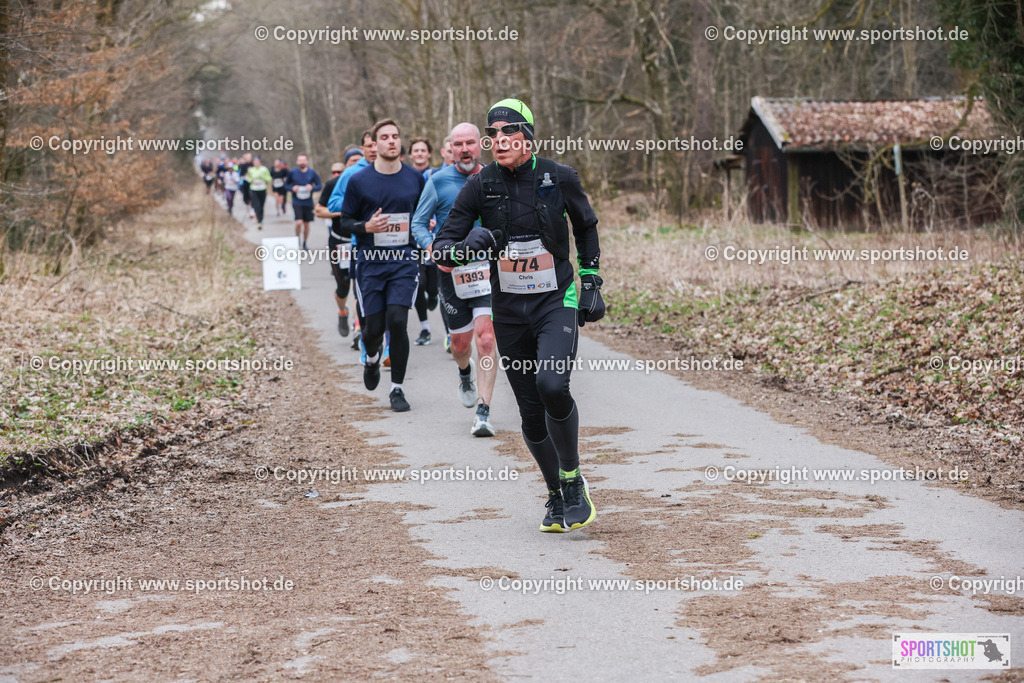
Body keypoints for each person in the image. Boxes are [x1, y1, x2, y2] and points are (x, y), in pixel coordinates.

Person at [433, 99, 605, 532]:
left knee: (552, 382)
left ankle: (572, 477)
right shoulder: (480, 185)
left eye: (508, 133)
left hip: (556, 300)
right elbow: (442, 249)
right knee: (530, 413)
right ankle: (554, 493)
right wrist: (467, 246)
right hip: (508, 309)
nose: (498, 141)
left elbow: (585, 226)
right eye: (493, 134)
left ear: (528, 137)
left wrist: (591, 281)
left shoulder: (558, 176)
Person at [412, 122, 497, 437]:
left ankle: (484, 411)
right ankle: (465, 372)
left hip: (486, 271)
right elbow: (419, 224)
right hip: (450, 274)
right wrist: (432, 249)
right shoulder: (437, 181)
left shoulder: (494, 177)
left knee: (486, 339)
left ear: (480, 145)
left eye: (470, 143)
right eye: (458, 144)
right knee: (461, 345)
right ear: (451, 148)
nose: (465, 150)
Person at [338, 119, 425, 412]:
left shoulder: (415, 179)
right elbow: (345, 220)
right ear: (374, 145)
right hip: (370, 263)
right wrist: (367, 226)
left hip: (404, 260)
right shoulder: (359, 181)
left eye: (396, 136)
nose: (391, 141)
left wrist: (426, 227)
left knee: (398, 321)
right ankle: (372, 358)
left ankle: (397, 389)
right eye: (385, 137)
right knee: (373, 327)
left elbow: (423, 216)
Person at [315, 161, 352, 336]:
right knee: (343, 285)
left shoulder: (366, 181)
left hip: (361, 242)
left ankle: (359, 327)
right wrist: (341, 212)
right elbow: (319, 211)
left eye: (340, 171)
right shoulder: (332, 185)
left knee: (363, 284)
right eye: (334, 171)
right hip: (340, 242)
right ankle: (343, 312)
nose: (337, 174)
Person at [286, 154, 322, 251]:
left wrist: (312, 188)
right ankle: (297, 239)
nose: (302, 162)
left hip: (308, 202)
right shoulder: (293, 172)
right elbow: (286, 185)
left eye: (303, 160)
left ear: (307, 161)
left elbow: (319, 185)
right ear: (297, 162)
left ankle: (305, 242)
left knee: (306, 224)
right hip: (297, 201)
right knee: (299, 223)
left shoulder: (312, 173)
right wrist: (292, 188)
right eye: (300, 160)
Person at [246, 157, 273, 230]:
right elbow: (248, 179)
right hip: (254, 189)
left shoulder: (264, 169)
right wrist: (250, 180)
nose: (256, 163)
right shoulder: (251, 170)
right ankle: (259, 221)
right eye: (255, 162)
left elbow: (269, 178)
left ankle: (261, 218)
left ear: (260, 162)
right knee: (256, 205)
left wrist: (262, 177)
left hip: (262, 189)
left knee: (261, 205)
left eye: (258, 162)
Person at [237, 153, 253, 218]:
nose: (248, 159)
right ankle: (250, 209)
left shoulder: (254, 164)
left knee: (253, 197)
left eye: (249, 157)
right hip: (246, 183)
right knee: (246, 197)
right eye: (247, 158)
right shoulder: (242, 165)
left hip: (254, 184)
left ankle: (253, 210)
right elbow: (240, 174)